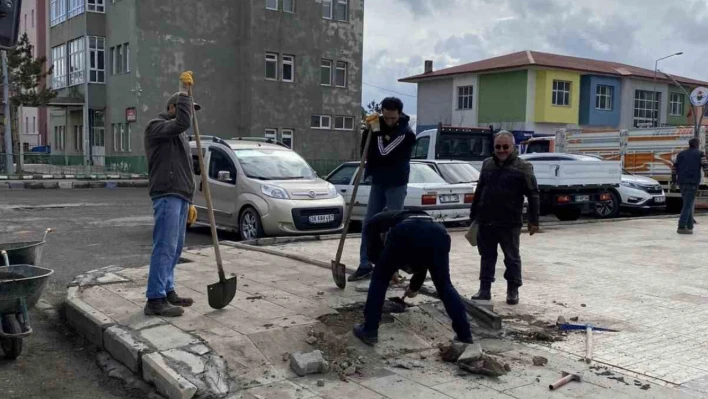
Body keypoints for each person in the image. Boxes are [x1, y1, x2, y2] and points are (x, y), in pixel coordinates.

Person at [352, 209, 473, 345]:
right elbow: (424, 262)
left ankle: (369, 330)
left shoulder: (383, 217)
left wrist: (380, 263)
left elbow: (370, 225)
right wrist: (414, 286)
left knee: (379, 280)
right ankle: (465, 335)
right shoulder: (424, 222)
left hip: (406, 231)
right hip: (439, 233)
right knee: (444, 285)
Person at [143, 71, 201, 317]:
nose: (189, 114)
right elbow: (182, 122)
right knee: (165, 247)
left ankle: (167, 291)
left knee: (175, 248)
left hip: (179, 195)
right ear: (171, 107)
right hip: (166, 194)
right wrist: (184, 90)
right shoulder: (156, 127)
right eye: (184, 107)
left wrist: (190, 200)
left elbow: (186, 168)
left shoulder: (179, 135)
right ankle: (154, 300)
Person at [348, 97, 416, 282]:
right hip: (378, 181)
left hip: (396, 183)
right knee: (369, 223)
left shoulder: (405, 133)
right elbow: (367, 151)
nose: (389, 121)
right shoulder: (377, 126)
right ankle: (364, 265)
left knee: (392, 227)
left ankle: (391, 267)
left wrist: (376, 131)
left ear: (399, 114)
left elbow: (384, 152)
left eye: (393, 118)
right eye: (386, 117)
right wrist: (367, 132)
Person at [468, 131, 540, 305]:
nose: (501, 150)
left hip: (510, 221)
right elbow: (479, 191)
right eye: (498, 147)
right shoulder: (487, 164)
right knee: (487, 256)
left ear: (513, 147)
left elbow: (533, 194)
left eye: (505, 147)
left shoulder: (523, 167)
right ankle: (484, 290)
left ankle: (512, 291)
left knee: (511, 257)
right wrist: (473, 216)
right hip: (486, 219)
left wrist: (534, 220)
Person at [673, 138, 708, 234]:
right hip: (692, 182)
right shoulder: (700, 154)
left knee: (688, 203)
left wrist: (673, 180)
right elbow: (705, 167)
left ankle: (689, 226)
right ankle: (681, 226)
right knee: (687, 205)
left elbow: (674, 168)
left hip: (681, 182)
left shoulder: (680, 154)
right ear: (697, 144)